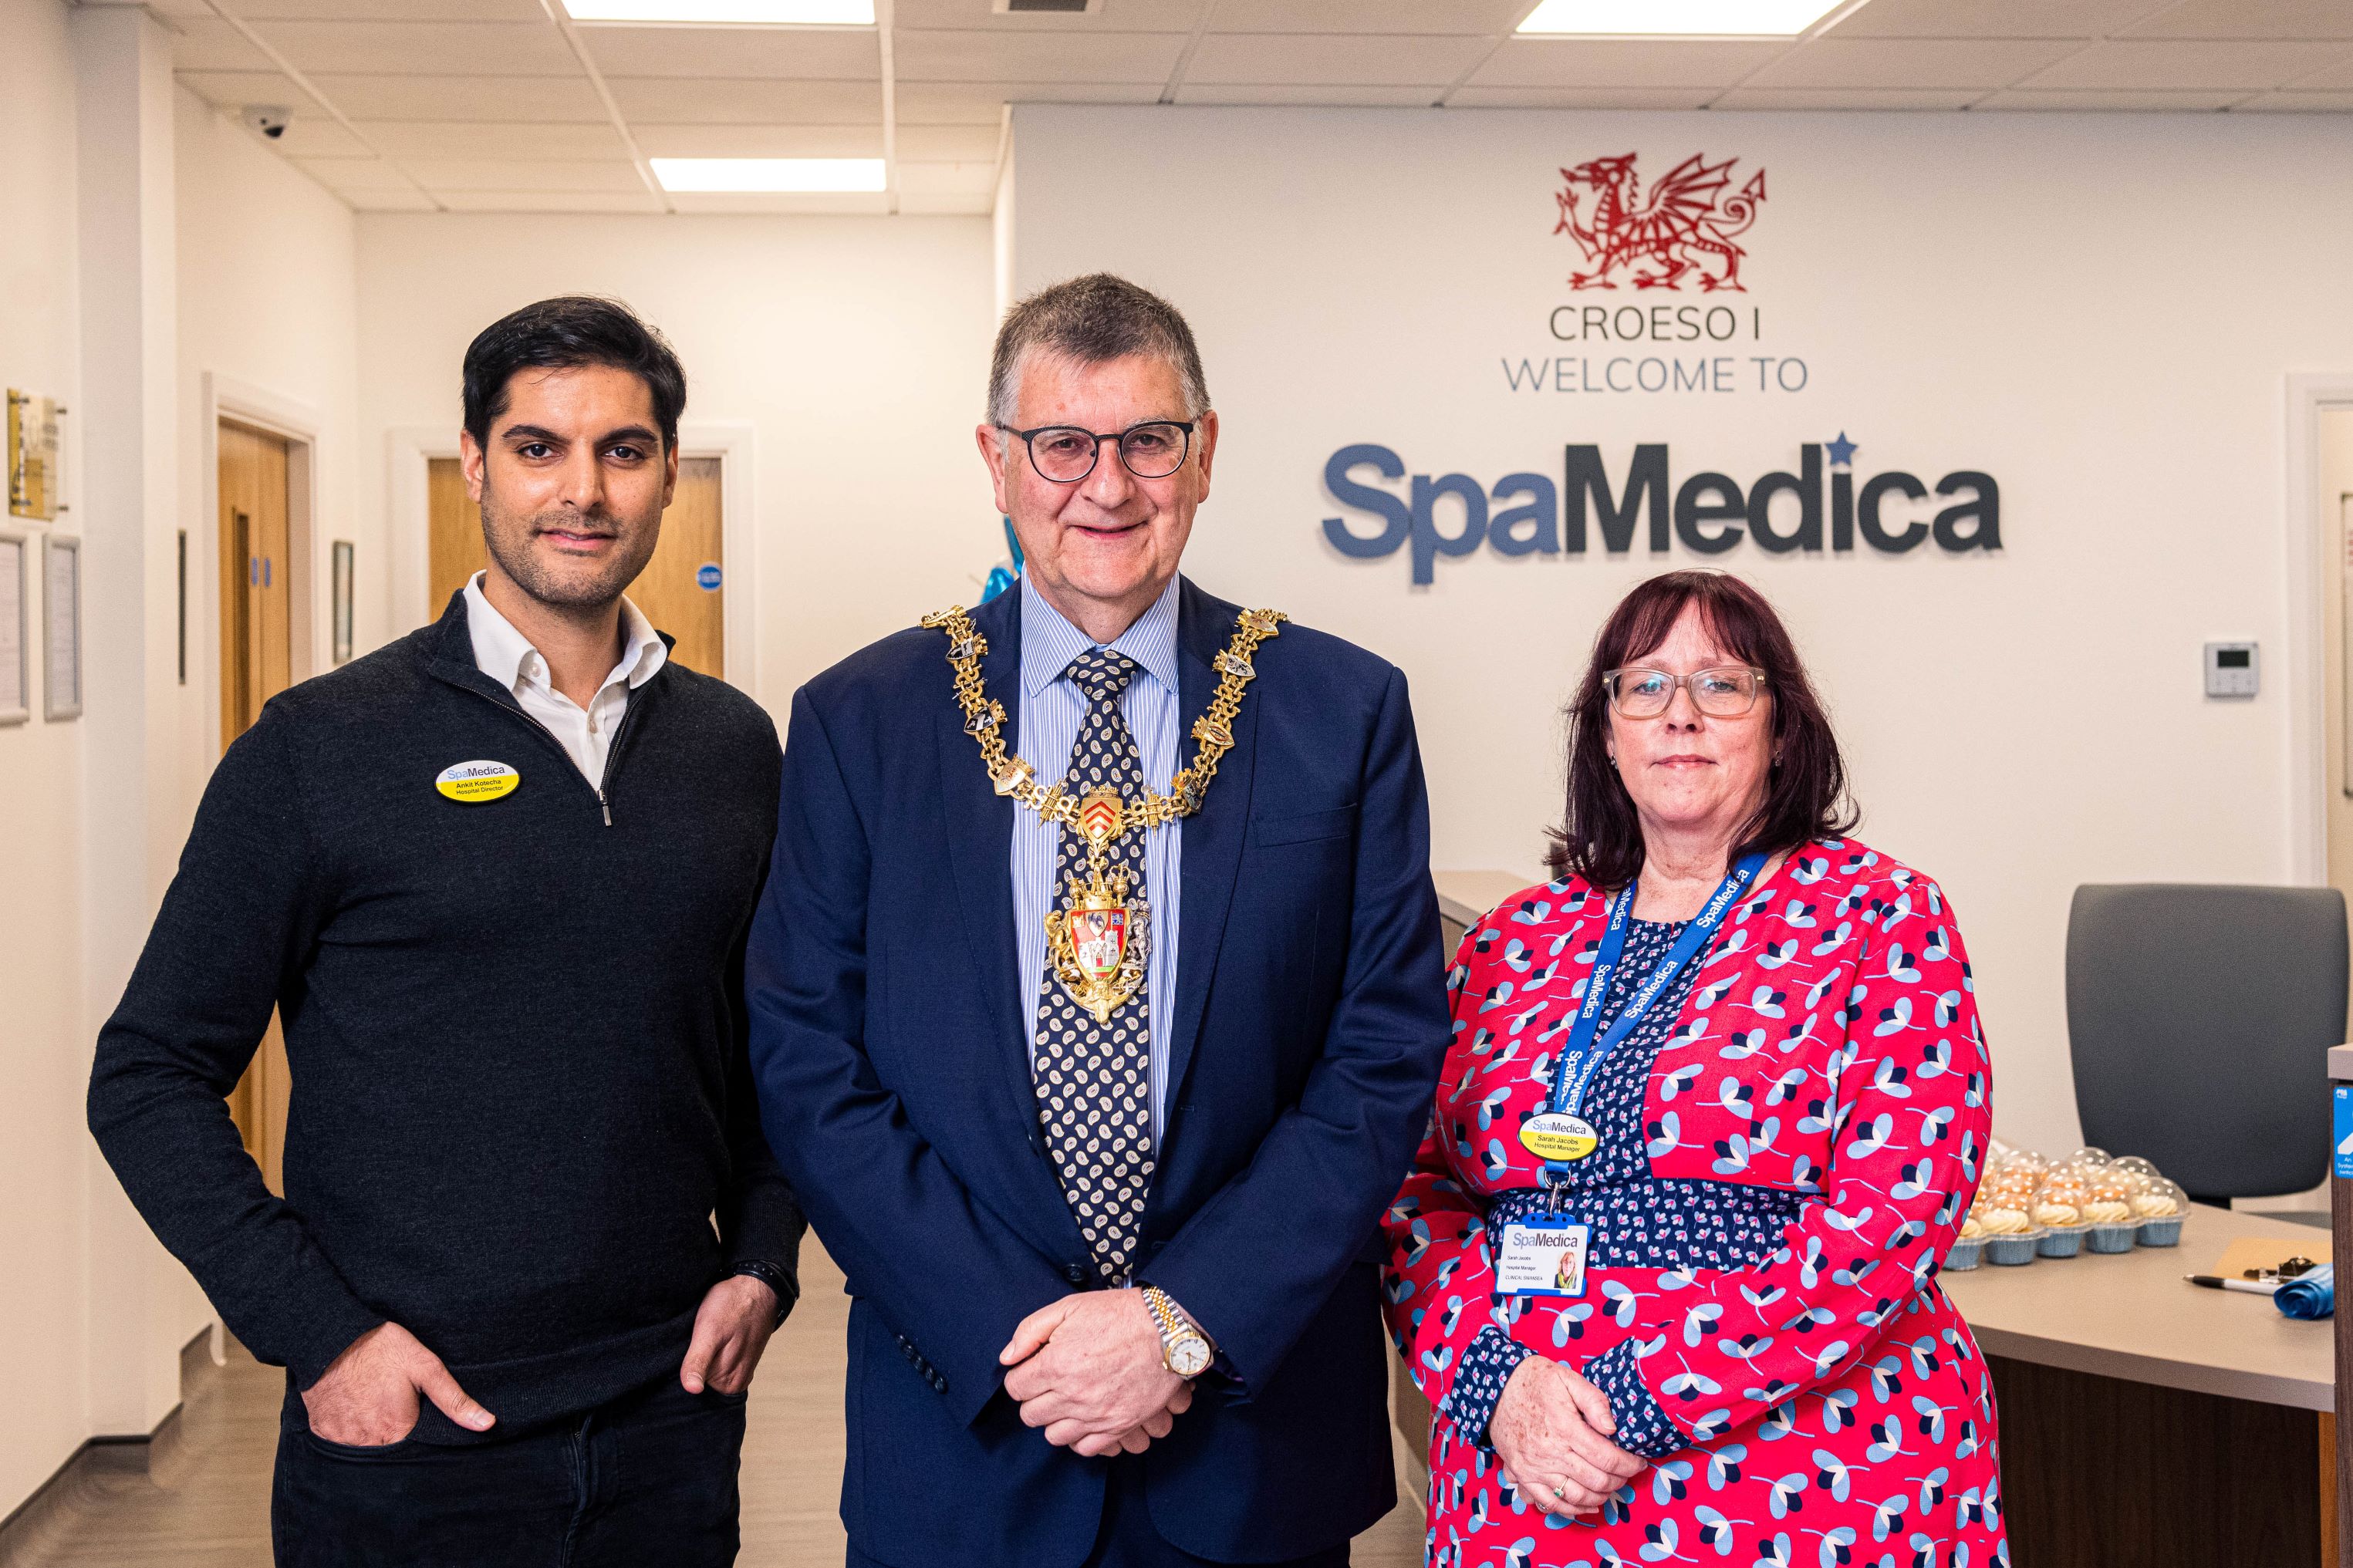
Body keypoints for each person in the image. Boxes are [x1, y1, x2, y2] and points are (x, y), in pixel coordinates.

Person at [745, 272, 1450, 1568]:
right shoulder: (865, 719)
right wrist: (1028, 1335)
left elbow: (1382, 1054)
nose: (1107, 487)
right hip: (967, 1427)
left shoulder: (1338, 710)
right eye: (1062, 443)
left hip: (1251, 1435)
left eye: (1147, 441)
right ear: (995, 461)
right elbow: (808, 1062)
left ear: (1206, 450)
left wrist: (1178, 1323)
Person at [88, 296, 803, 1567]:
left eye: (622, 451)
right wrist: (320, 1332)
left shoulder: (733, 749)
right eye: (538, 447)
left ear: (665, 474)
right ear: (475, 461)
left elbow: (779, 1048)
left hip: (668, 1424)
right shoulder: (320, 749)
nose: (580, 491)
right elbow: (146, 1075)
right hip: (409, 1444)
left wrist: (758, 1262)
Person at [1382, 570, 2007, 1566]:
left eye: (1720, 685)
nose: (1679, 716)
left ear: (1782, 727)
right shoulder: (1512, 939)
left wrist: (1638, 1397)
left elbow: (1890, 1218)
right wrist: (1494, 1380)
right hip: (1527, 1464)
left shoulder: (1882, 916)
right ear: (1604, 732)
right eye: (1643, 687)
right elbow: (1410, 1189)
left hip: (1810, 1471)